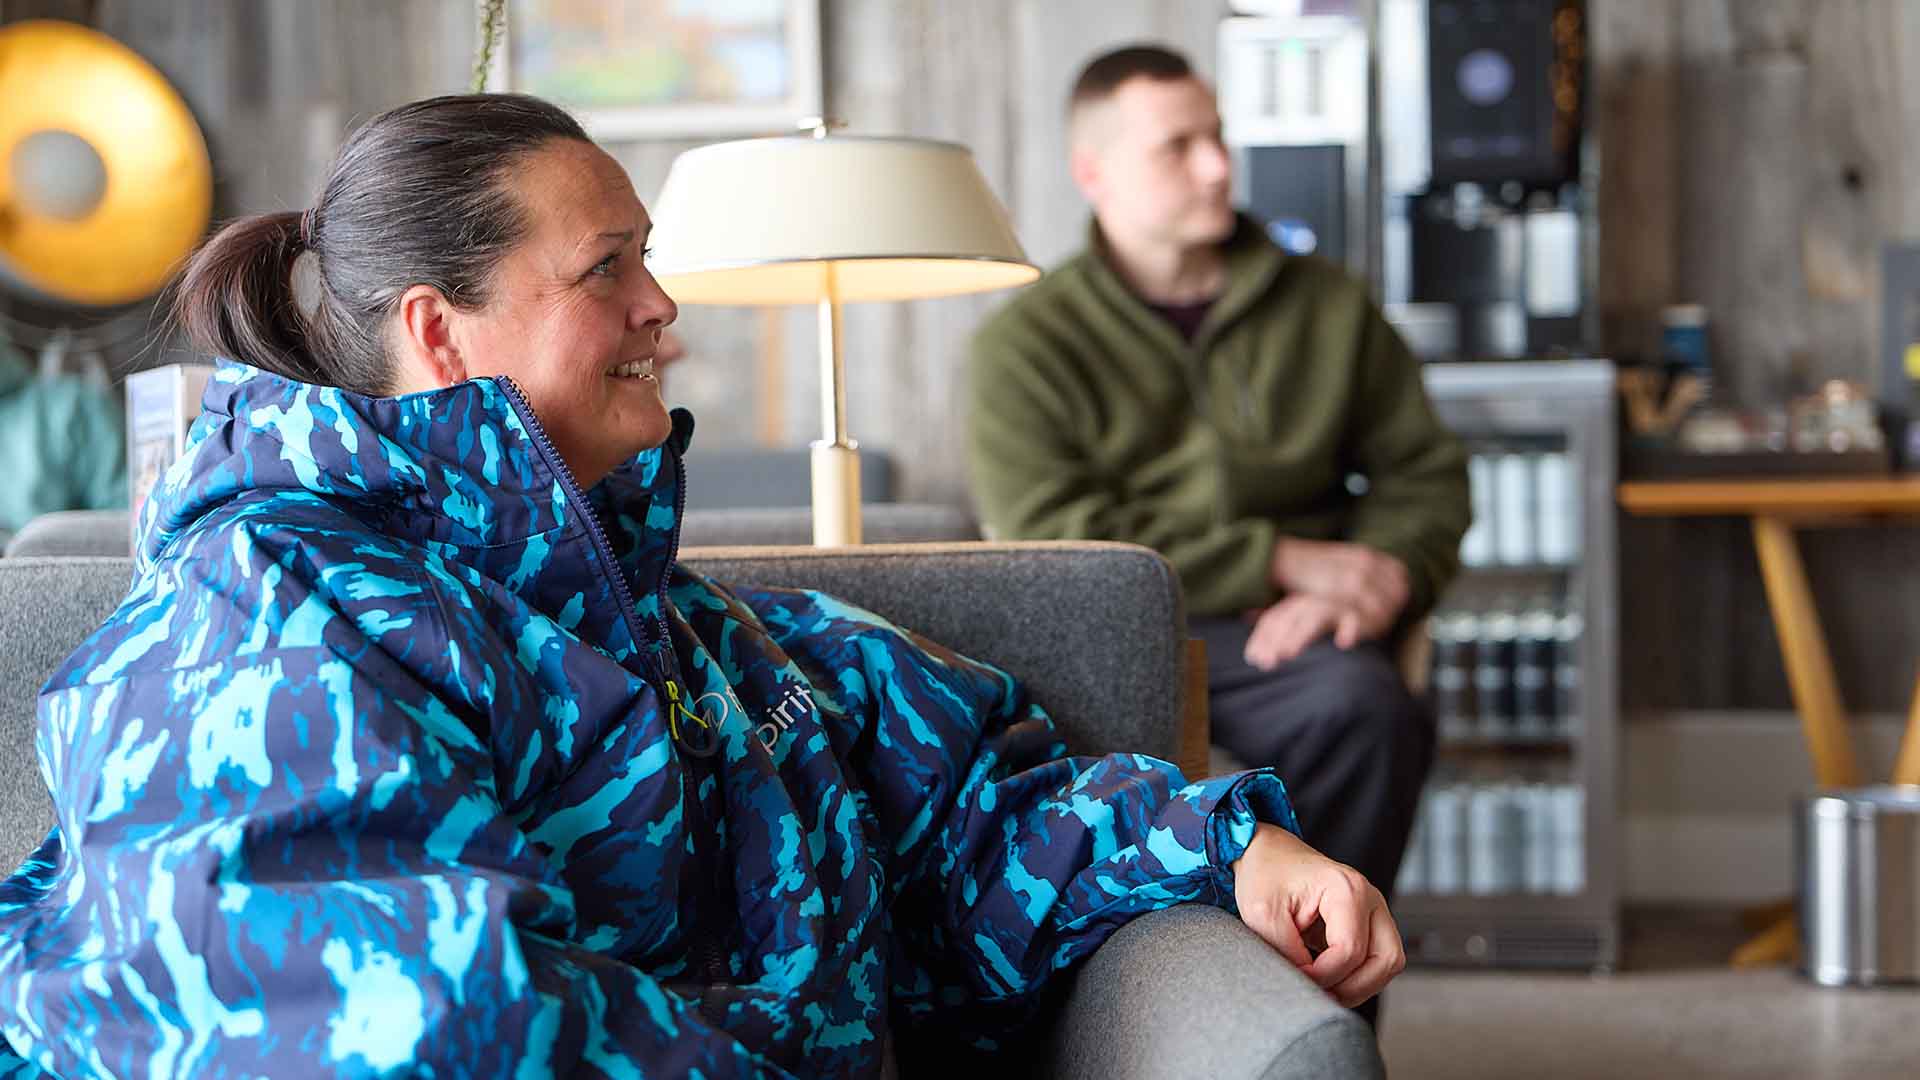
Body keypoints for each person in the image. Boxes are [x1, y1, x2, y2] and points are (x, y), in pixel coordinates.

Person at [0, 94, 1401, 1078]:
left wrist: (1227, 849)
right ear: (441, 332)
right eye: (609, 270)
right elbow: (418, 1028)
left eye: (649, 260)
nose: (663, 308)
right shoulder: (272, 626)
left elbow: (961, 810)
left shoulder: (678, 623)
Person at [968, 46, 1469, 951]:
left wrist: (1376, 577)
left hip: (1294, 635)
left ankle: (1322, 990)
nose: (1219, 166)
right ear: (1094, 172)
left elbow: (1425, 474)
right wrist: (1274, 555)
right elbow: (1050, 533)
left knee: (1365, 711)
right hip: (1123, 632)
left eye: (1220, 137)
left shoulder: (1328, 306)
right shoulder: (1026, 342)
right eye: (1179, 145)